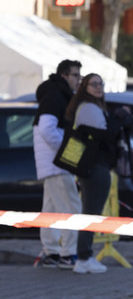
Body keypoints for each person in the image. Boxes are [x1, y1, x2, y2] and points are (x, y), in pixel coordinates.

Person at [65, 73, 133, 274]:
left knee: (91, 210)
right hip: (95, 166)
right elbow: (105, 134)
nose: (98, 87)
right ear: (84, 88)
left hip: (96, 166)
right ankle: (84, 257)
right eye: (93, 84)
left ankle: (85, 256)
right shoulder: (89, 107)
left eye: (100, 84)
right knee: (91, 212)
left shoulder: (95, 107)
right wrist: (119, 120)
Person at [32, 59, 83, 269]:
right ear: (64, 76)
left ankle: (51, 253)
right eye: (76, 76)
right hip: (57, 164)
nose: (79, 80)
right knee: (72, 207)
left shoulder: (54, 93)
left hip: (50, 164)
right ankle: (67, 254)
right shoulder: (55, 96)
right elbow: (46, 129)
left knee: (50, 210)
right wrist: (67, 153)